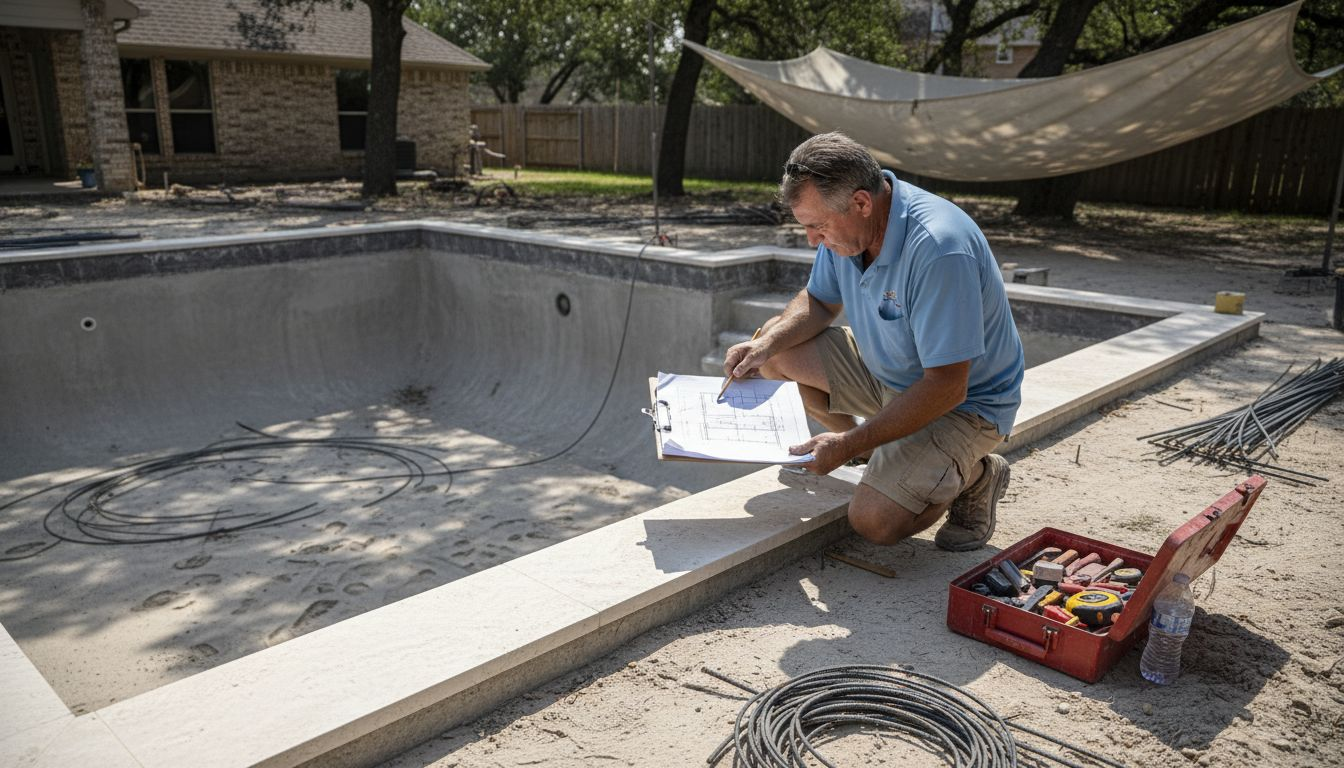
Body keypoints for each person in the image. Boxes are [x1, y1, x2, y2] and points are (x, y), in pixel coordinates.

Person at [723, 132, 1024, 551]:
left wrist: (846, 443)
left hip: (964, 404)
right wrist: (765, 344)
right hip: (889, 373)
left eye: (818, 227)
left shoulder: (939, 249)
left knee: (875, 521)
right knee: (777, 350)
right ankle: (876, 455)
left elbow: (947, 385)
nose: (813, 240)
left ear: (862, 202)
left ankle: (977, 475)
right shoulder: (850, 227)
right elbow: (818, 301)